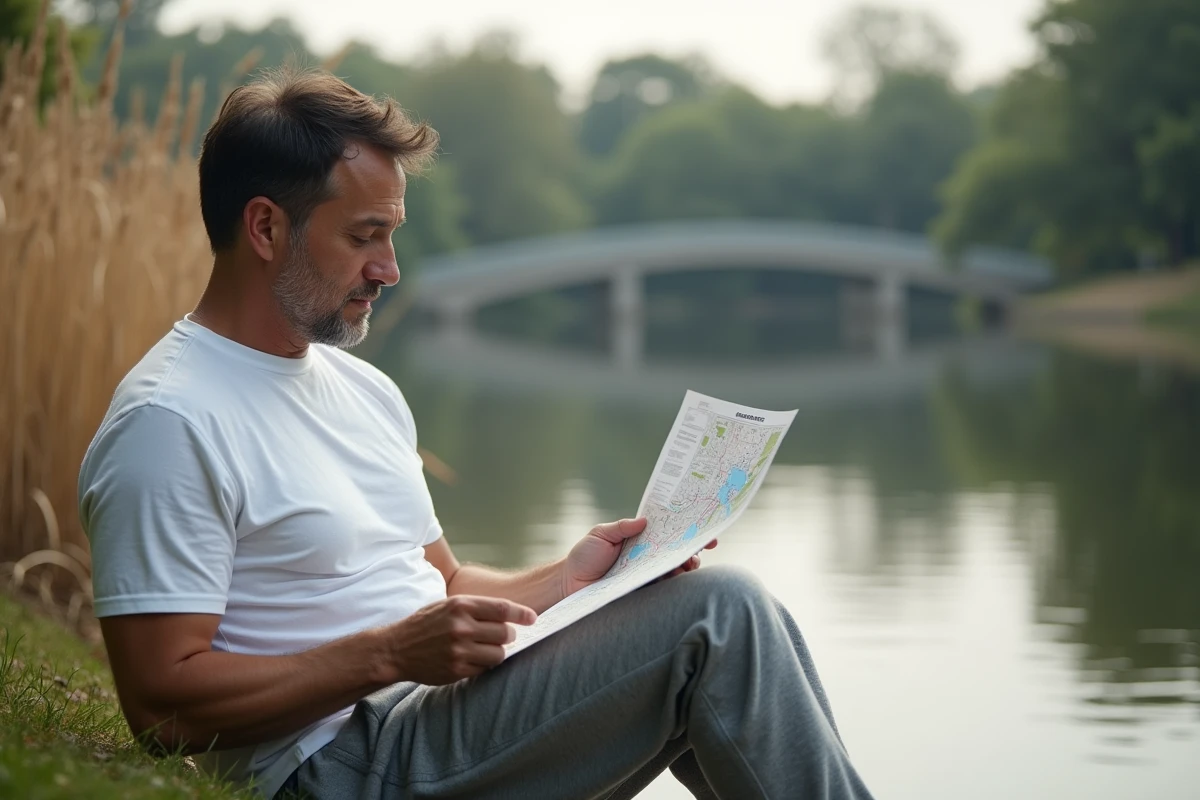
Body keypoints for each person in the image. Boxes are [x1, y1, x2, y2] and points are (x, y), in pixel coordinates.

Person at [78, 67, 876, 800]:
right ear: (264, 228)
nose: (388, 268)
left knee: (710, 623)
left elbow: (447, 591)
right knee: (720, 616)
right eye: (364, 236)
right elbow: (162, 710)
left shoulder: (363, 390)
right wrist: (388, 657)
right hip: (336, 767)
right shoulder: (170, 421)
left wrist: (575, 578)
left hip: (433, 713)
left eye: (391, 235)